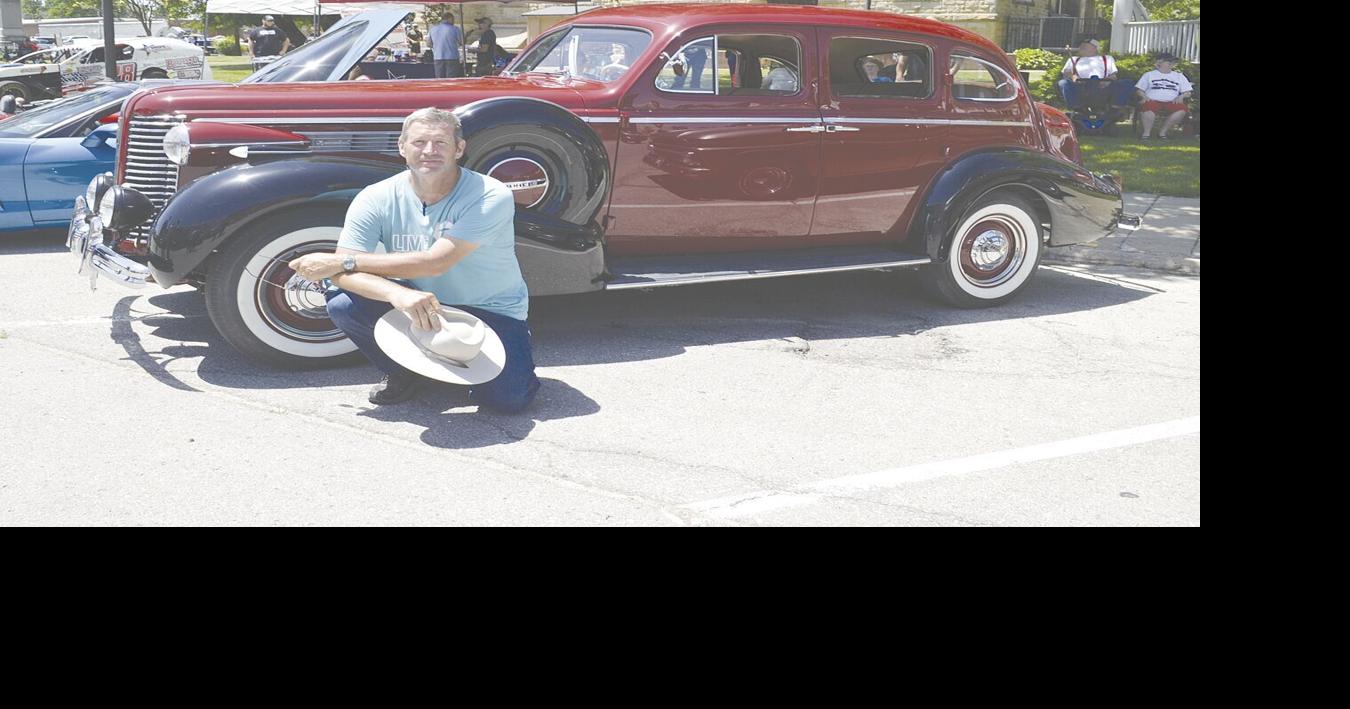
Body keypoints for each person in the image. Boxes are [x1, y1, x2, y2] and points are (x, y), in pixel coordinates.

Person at [288, 107, 540, 410]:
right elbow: (343, 276)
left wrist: (342, 262)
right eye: (419, 142)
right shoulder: (375, 196)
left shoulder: (490, 194)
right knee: (343, 303)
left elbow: (437, 262)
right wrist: (397, 292)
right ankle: (403, 372)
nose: (429, 151)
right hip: (418, 302)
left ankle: (511, 365)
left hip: (490, 309)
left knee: (508, 403)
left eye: (441, 143)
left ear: (459, 149)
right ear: (402, 147)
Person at [1057, 39, 1131, 111]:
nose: (1082, 47)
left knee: (1126, 83)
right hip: (1081, 87)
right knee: (1063, 83)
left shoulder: (1107, 58)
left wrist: (1106, 82)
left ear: (1095, 48)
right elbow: (1066, 75)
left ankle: (1115, 108)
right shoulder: (1073, 59)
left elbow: (1113, 75)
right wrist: (1072, 75)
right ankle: (1077, 107)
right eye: (1081, 45)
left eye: (1086, 45)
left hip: (1103, 87)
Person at [1134, 51, 1193, 139]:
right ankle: (1146, 134)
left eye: (1172, 62)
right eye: (1168, 61)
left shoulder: (1179, 76)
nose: (1171, 63)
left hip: (1171, 102)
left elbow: (1188, 92)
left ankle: (1162, 133)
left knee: (1181, 109)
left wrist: (1181, 96)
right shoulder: (1149, 75)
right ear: (1159, 62)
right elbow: (1139, 90)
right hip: (1152, 100)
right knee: (1148, 107)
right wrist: (1144, 97)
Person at [428, 14, 463, 78]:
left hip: (438, 57)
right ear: (449, 19)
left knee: (440, 79)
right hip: (452, 57)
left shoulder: (433, 29)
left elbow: (429, 44)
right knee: (451, 79)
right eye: (453, 20)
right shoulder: (455, 29)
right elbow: (461, 42)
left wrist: (437, 46)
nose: (453, 22)